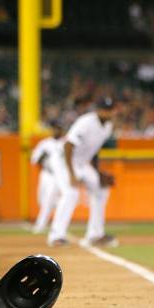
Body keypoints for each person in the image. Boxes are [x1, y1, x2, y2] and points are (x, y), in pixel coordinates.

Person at [46, 97, 117, 247]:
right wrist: (72, 174)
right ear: (98, 109)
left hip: (83, 162)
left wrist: (97, 173)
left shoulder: (108, 126)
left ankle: (95, 235)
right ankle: (56, 236)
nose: (107, 112)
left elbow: (94, 151)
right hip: (64, 160)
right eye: (104, 109)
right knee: (71, 192)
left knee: (101, 190)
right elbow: (68, 145)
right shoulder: (86, 122)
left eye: (110, 109)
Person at [30, 120, 64, 234]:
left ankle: (41, 225)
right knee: (41, 199)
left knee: (48, 200)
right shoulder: (45, 143)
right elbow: (34, 159)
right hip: (45, 174)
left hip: (57, 176)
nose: (56, 130)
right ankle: (56, 221)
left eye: (58, 128)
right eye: (54, 128)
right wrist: (43, 156)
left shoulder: (65, 143)